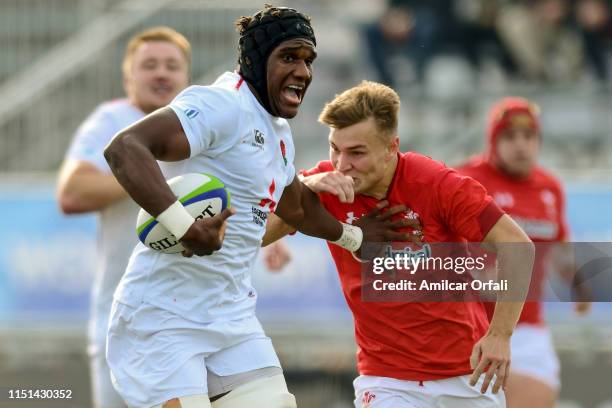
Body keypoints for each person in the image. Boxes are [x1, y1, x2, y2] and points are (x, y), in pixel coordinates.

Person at [103, 6, 412, 408]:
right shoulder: (221, 105)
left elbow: (297, 207)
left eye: (308, 60)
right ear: (255, 60)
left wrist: (355, 237)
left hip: (229, 318)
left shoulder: (279, 133)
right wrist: (184, 226)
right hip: (161, 319)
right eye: (289, 57)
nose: (302, 71)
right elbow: (125, 149)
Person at [263, 81, 535, 408]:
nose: (341, 164)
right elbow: (258, 233)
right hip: (387, 380)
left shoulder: (437, 184)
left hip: (467, 375)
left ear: (392, 147)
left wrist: (500, 335)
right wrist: (305, 188)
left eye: (357, 152)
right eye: (335, 148)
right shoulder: (325, 185)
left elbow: (517, 245)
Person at [56, 26, 191, 408]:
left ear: (187, 77)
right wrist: (141, 171)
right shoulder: (112, 120)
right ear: (128, 76)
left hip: (190, 318)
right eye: (149, 65)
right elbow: (72, 193)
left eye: (172, 65)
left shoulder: (201, 126)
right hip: (122, 320)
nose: (161, 73)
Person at [456, 97, 590, 408]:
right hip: (474, 325)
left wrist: (578, 282)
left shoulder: (549, 187)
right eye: (509, 136)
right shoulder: (466, 180)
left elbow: (558, 242)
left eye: (529, 137)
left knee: (539, 396)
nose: (520, 145)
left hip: (528, 326)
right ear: (493, 140)